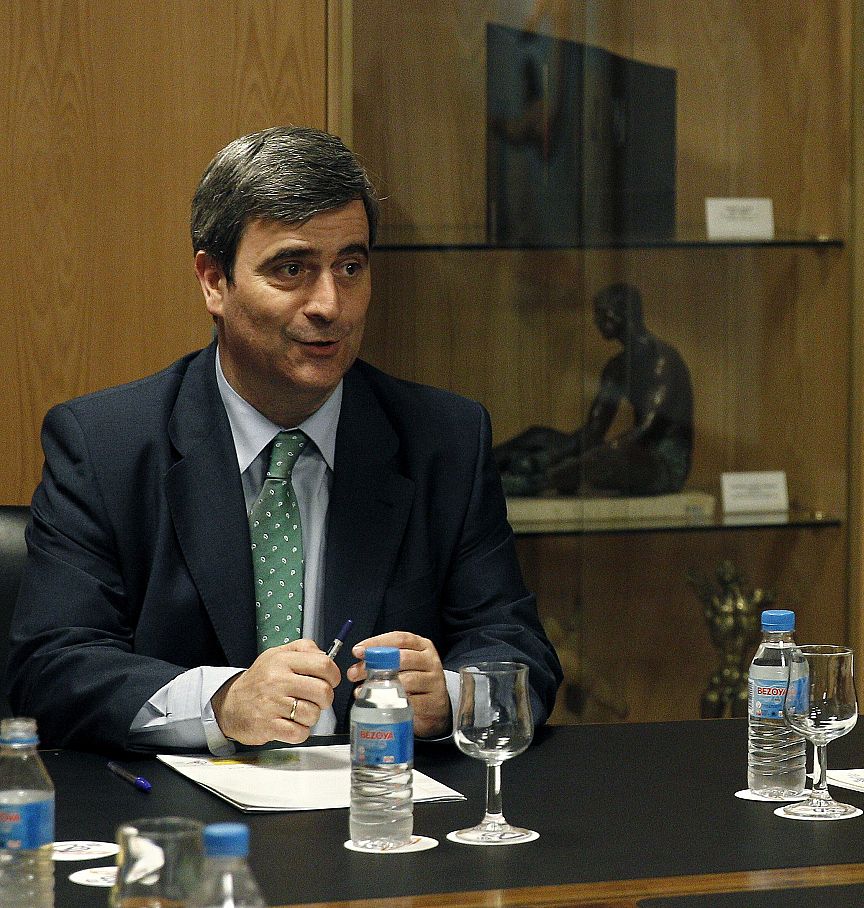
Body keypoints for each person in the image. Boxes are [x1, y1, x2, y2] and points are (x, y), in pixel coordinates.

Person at [4, 126, 562, 754]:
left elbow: (517, 647)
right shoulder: (105, 446)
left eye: (351, 267)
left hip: (385, 814)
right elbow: (50, 669)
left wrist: (457, 696)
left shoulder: (444, 440)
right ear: (214, 281)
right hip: (178, 823)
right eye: (293, 269)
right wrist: (220, 702)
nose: (331, 304)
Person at [494, 282, 693, 496]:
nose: (596, 321)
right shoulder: (616, 368)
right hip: (630, 452)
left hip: (662, 464)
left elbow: (648, 430)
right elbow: (593, 431)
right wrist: (552, 453)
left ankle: (536, 482)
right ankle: (483, 465)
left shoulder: (661, 361)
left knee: (610, 455)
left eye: (601, 313)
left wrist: (568, 462)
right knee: (538, 436)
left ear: (622, 313)